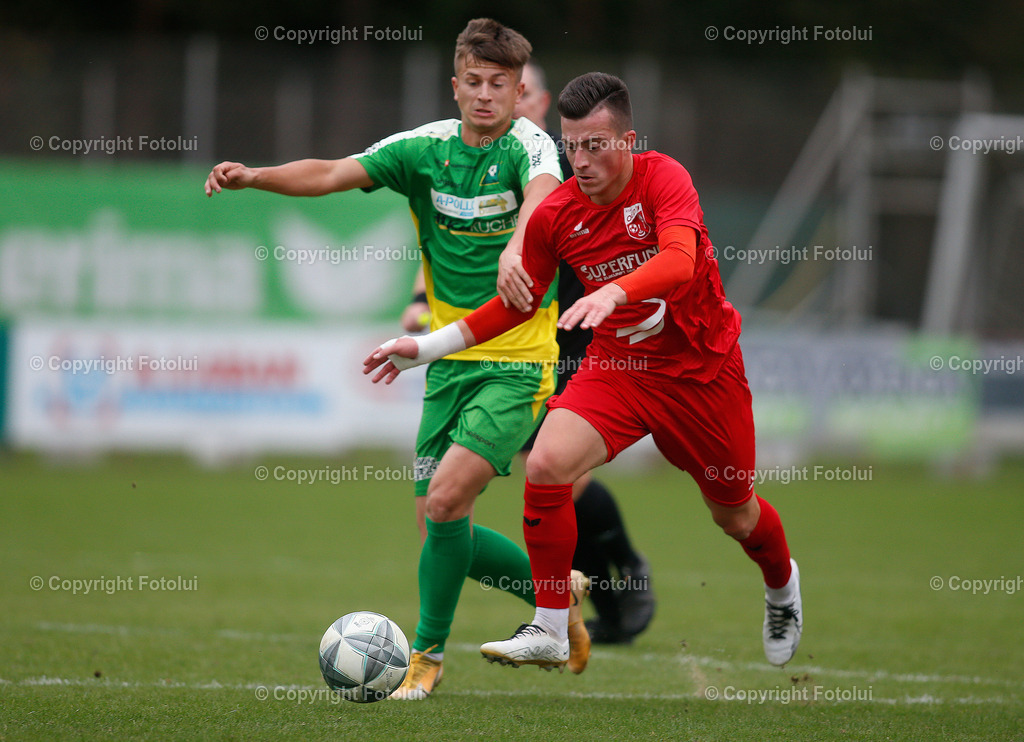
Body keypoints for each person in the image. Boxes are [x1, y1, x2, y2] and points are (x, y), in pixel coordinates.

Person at [205, 18, 591, 699]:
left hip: (519, 360)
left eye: (499, 85)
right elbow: (331, 171)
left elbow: (540, 196)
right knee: (436, 523)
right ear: (455, 85)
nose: (484, 96)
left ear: (518, 89)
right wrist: (254, 177)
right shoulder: (422, 149)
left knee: (445, 502)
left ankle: (426, 659)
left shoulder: (532, 146)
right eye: (473, 82)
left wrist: (516, 246)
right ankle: (557, 595)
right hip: (446, 364)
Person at [364, 71, 803, 669]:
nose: (583, 160)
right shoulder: (556, 214)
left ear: (628, 141)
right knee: (547, 463)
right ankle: (548, 625)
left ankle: (781, 586)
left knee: (735, 513)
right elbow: (515, 306)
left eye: (597, 145)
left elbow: (679, 259)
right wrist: (428, 347)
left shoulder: (663, 179)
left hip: (702, 374)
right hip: (619, 368)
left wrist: (615, 293)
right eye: (573, 146)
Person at [510, 60, 656, 645]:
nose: (499, 99)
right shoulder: (474, 158)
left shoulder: (560, 160)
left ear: (541, 103)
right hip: (520, 337)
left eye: (515, 89)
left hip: (578, 334)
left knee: (556, 475)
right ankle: (606, 588)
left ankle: (620, 574)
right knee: (543, 471)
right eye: (486, 84)